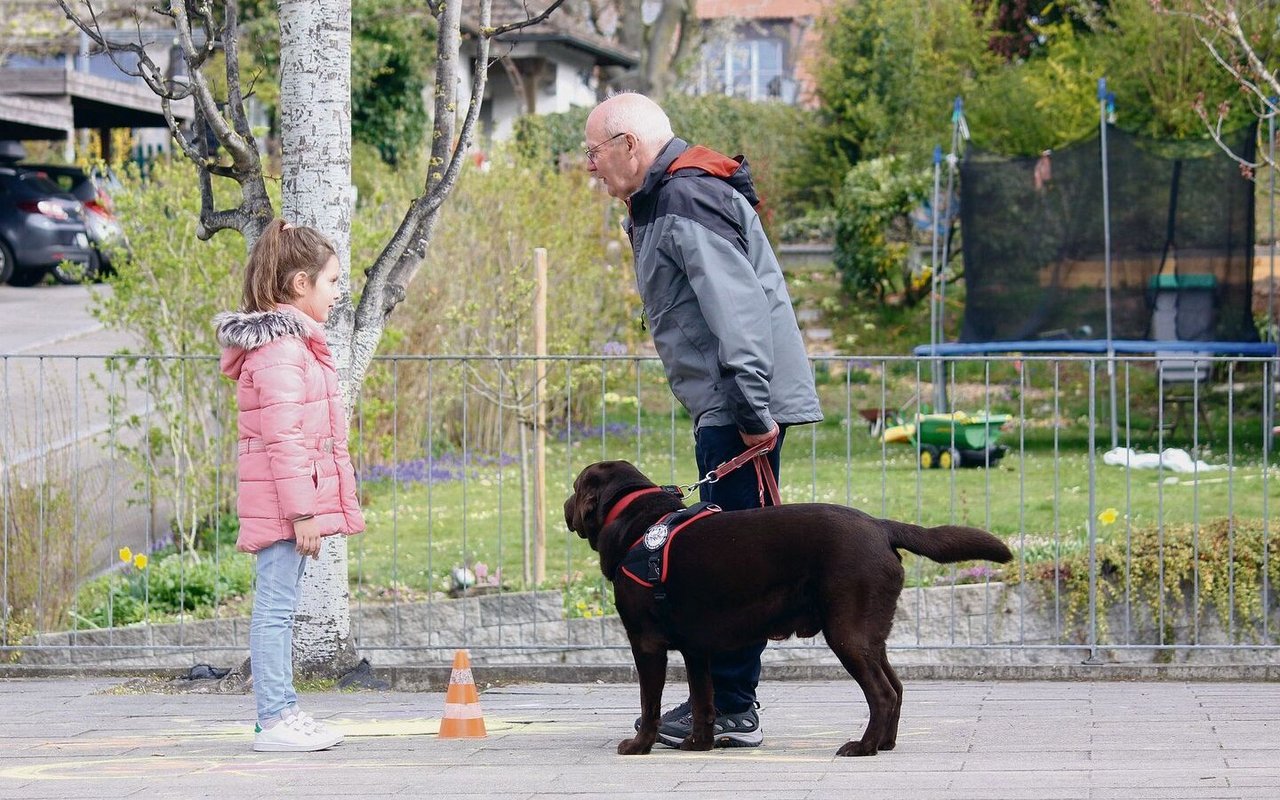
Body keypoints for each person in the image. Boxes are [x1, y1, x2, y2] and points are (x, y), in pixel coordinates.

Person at [584, 93, 823, 748]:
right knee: (730, 558)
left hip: (740, 407)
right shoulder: (668, 198)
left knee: (734, 567)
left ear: (629, 145)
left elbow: (736, 313)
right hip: (729, 404)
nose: (590, 169)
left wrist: (750, 411)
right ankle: (719, 703)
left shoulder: (686, 199)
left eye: (594, 153)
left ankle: (731, 708)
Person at [214, 219, 366, 752]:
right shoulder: (282, 350)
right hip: (282, 506)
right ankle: (274, 718)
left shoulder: (296, 344)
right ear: (300, 284)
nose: (337, 292)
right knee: (275, 608)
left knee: (279, 605)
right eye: (331, 282)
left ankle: (282, 712)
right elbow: (284, 438)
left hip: (286, 502)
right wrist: (304, 512)